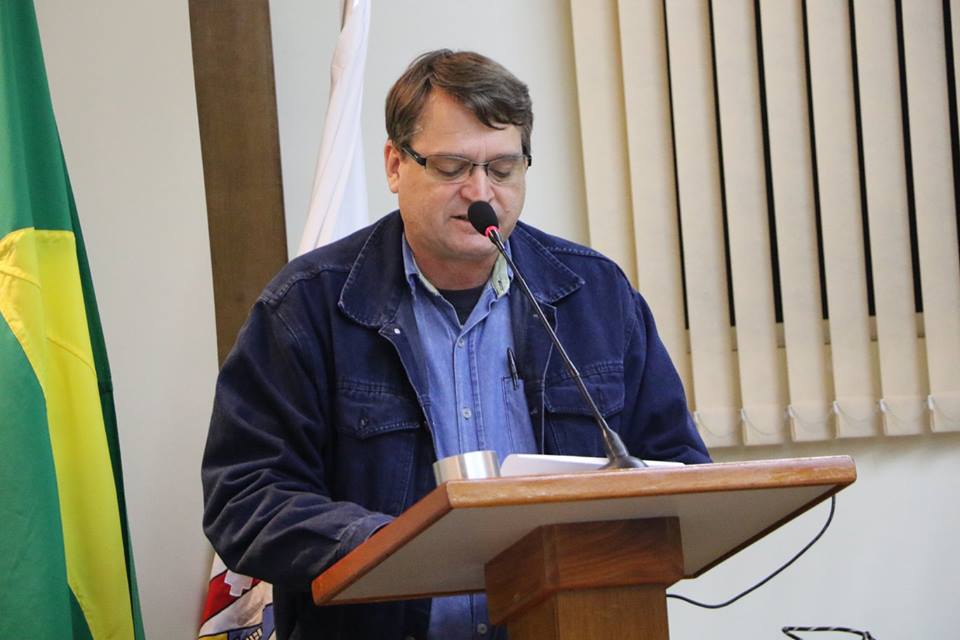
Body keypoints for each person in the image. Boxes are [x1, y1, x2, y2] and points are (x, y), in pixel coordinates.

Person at [202, 49, 710, 640]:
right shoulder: (308, 306)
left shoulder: (594, 295)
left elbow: (678, 469)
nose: (480, 191)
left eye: (503, 168)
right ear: (395, 166)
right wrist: (391, 545)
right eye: (452, 167)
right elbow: (244, 498)